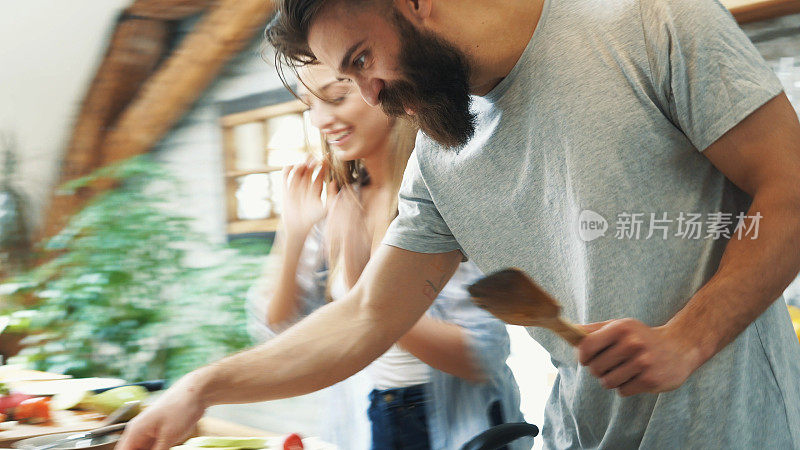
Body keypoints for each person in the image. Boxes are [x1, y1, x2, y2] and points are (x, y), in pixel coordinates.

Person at [119, 0, 800, 448]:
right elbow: (365, 318)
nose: (370, 98)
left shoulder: (645, 20)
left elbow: (790, 189)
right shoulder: (441, 158)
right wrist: (200, 387)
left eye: (360, 61)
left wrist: (687, 339)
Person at [245, 63, 529, 450]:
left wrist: (370, 290)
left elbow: (482, 354)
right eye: (309, 104)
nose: (320, 120)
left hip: (457, 425)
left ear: (383, 90)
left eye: (335, 97)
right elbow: (277, 328)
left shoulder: (445, 193)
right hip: (375, 417)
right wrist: (292, 234)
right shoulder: (340, 203)